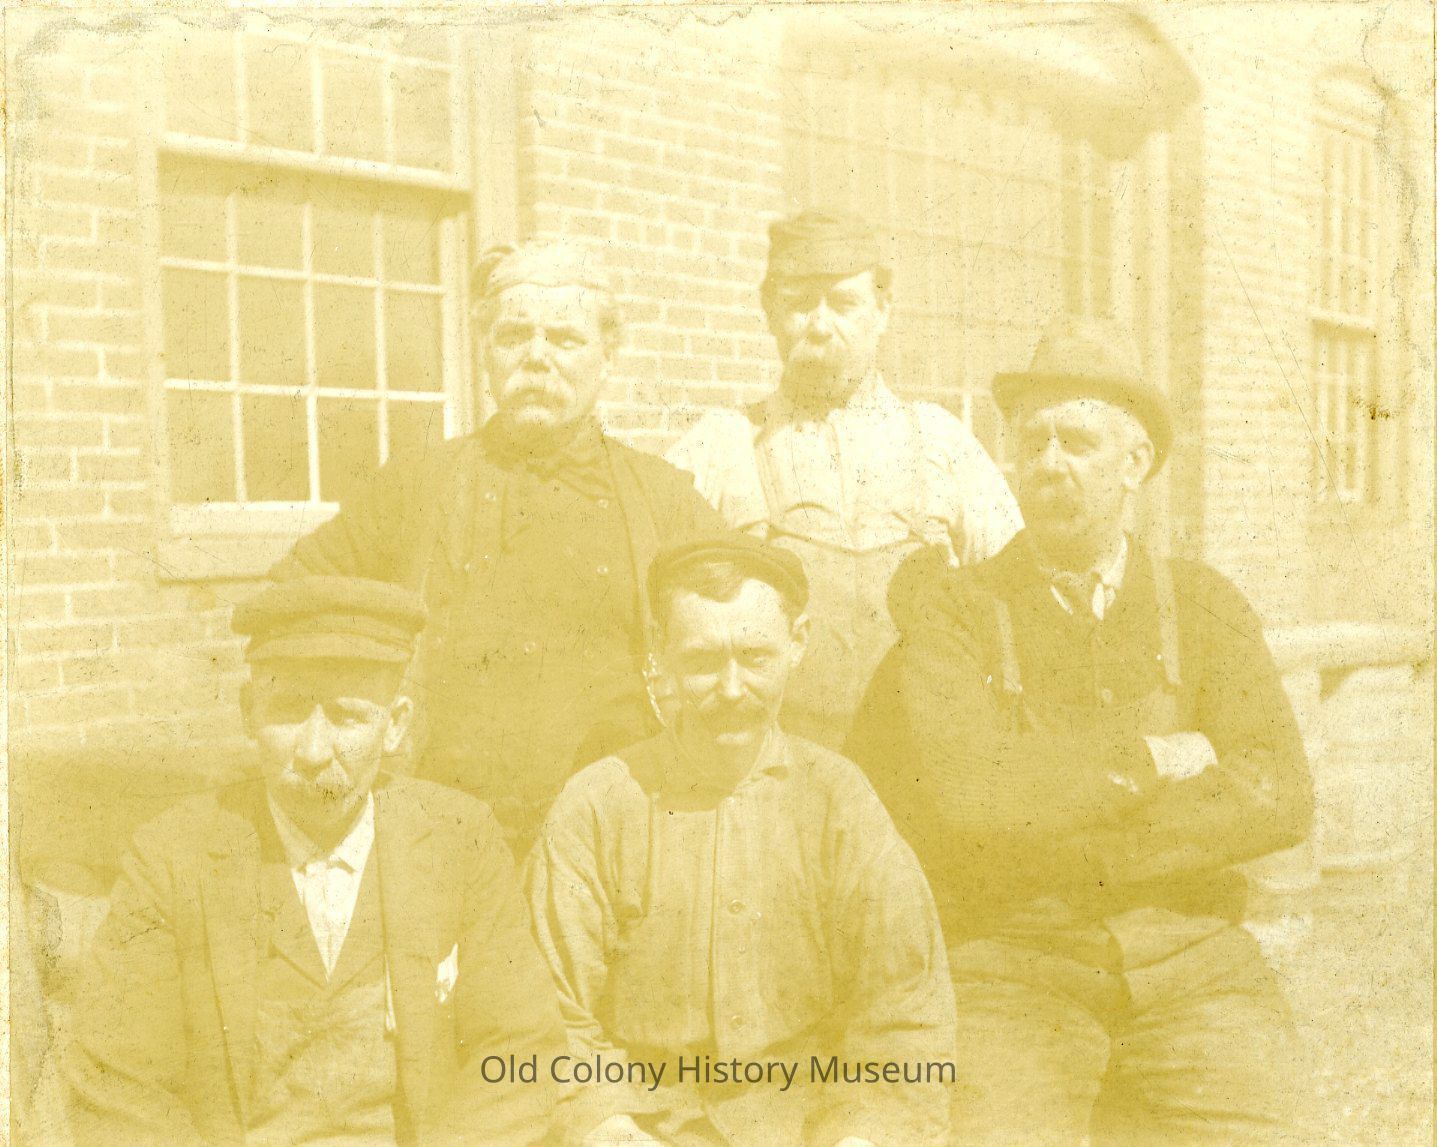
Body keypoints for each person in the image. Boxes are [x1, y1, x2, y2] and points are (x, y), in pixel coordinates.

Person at [847, 317, 1314, 1145]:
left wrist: (1068, 822)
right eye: (1032, 443)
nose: (1048, 463)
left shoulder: (1202, 604)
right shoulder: (957, 612)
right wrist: (1151, 763)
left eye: (1076, 442)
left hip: (1192, 961)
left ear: (1134, 463)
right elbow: (969, 797)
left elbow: (1277, 795)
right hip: (1015, 966)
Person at [65, 577, 567, 1145]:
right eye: (288, 709)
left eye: (347, 717)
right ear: (248, 712)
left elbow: (522, 1049)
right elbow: (117, 1084)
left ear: (395, 725)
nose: (312, 750)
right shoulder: (172, 857)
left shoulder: (460, 839)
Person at [272, 241, 723, 854]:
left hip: (620, 832)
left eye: (565, 338)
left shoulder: (662, 499)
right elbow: (292, 596)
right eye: (513, 336)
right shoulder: (415, 485)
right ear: (485, 354)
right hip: (443, 830)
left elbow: (745, 630)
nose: (537, 356)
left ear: (608, 358)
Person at [527, 533, 954, 1147]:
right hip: (642, 1122)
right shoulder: (596, 805)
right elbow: (548, 1015)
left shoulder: (839, 801)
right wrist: (611, 1128)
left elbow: (903, 1013)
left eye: (754, 657)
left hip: (810, 1122)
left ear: (798, 642)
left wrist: (863, 1135)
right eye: (703, 660)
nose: (731, 689)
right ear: (661, 651)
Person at [666, 208, 1021, 749]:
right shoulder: (721, 444)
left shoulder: (941, 441)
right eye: (799, 304)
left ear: (882, 309)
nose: (820, 325)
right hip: (780, 765)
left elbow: (1019, 595)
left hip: (924, 764)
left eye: (843, 303)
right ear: (769, 312)